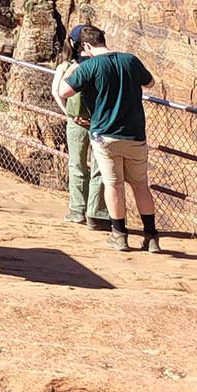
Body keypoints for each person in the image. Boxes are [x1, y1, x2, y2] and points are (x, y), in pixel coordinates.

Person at [54, 24, 159, 252]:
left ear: (87, 45)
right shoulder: (130, 60)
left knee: (114, 185)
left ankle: (119, 235)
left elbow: (63, 92)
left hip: (105, 134)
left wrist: (71, 70)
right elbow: (150, 83)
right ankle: (151, 237)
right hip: (135, 134)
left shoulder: (90, 65)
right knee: (141, 185)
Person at [53, 24, 110, 232]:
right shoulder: (101, 64)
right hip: (99, 121)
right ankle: (96, 213)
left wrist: (70, 113)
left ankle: (79, 210)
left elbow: (57, 91)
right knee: (99, 167)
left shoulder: (68, 65)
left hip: (80, 122)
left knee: (77, 164)